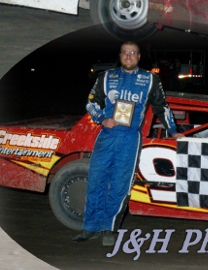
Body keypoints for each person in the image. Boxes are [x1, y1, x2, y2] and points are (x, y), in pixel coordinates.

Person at [72, 41, 184, 247]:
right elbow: (91, 103)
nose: (129, 56)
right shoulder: (106, 77)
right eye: (125, 52)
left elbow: (162, 106)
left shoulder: (150, 79)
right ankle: (90, 227)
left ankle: (109, 228)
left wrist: (173, 130)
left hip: (130, 139)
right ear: (120, 55)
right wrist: (102, 119)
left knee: (119, 186)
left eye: (133, 53)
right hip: (106, 135)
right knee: (96, 181)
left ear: (139, 56)